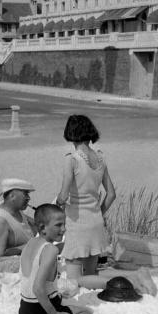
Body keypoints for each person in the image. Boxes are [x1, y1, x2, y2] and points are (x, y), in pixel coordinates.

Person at [18, 204, 94, 314]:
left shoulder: (31, 243)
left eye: (64, 224)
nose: (64, 229)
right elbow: (38, 288)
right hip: (44, 313)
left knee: (57, 301)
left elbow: (42, 256)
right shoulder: (50, 250)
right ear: (42, 228)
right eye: (58, 225)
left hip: (25, 312)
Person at [55, 114, 116, 288]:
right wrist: (98, 213)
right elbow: (111, 194)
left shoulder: (72, 159)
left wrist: (56, 204)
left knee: (74, 279)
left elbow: (63, 196)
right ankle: (117, 284)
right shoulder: (100, 158)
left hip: (77, 221)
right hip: (96, 222)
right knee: (90, 275)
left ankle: (121, 283)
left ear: (70, 133)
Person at [0, 178, 37, 272]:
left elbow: (38, 225)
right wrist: (30, 247)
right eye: (25, 194)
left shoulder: (17, 211)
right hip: (6, 265)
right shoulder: (0, 221)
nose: (28, 198)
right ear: (12, 196)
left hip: (25, 258)